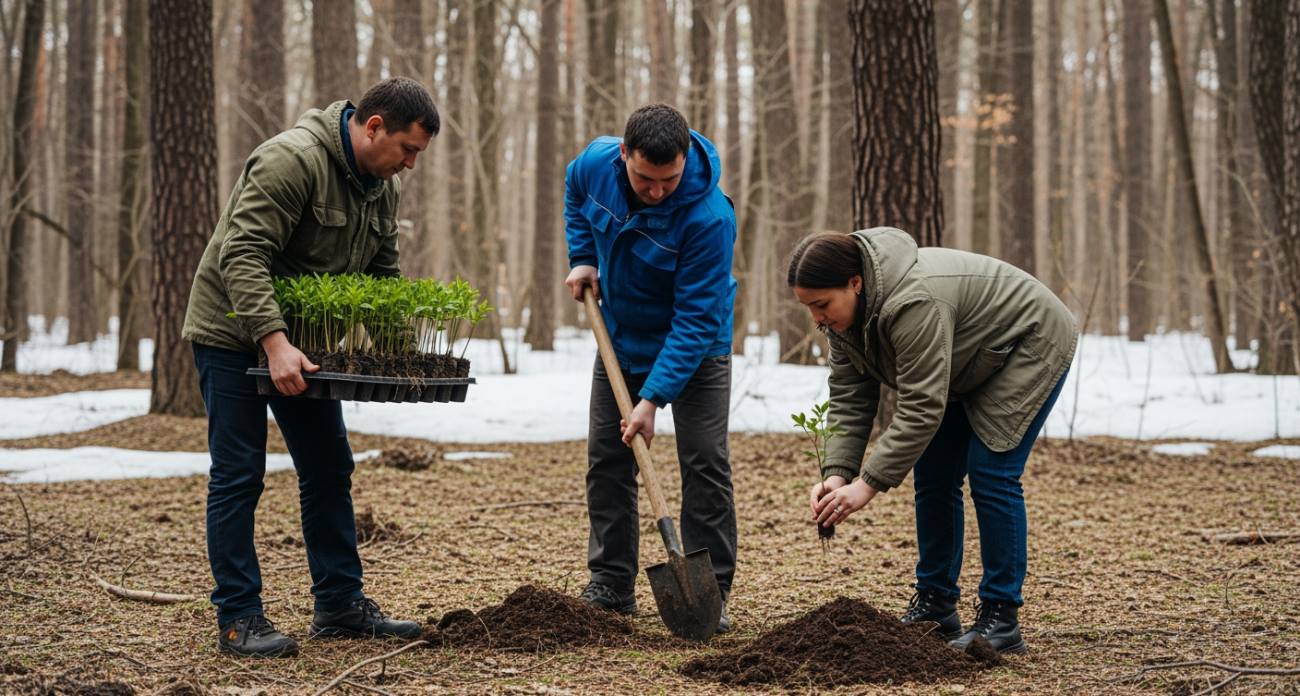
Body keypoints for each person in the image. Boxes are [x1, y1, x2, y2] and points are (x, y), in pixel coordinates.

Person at [181, 78, 438, 658]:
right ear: (374, 127)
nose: (410, 165)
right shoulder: (291, 160)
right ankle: (238, 616)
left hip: (305, 347)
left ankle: (340, 604)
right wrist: (273, 344)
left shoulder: (383, 187)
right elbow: (242, 253)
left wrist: (405, 356)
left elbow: (382, 278)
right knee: (239, 472)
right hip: (233, 334)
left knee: (328, 466)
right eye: (407, 150)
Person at [788, 228, 1077, 654]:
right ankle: (936, 604)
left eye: (822, 304)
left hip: (1029, 340)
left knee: (992, 471)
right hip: (968, 358)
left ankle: (1001, 617)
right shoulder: (843, 321)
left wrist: (867, 485)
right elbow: (850, 396)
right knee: (934, 473)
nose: (816, 318)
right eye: (808, 307)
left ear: (855, 283)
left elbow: (922, 406)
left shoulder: (913, 301)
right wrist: (837, 475)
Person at [563, 104, 738, 634]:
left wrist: (652, 399)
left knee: (704, 461)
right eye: (645, 179)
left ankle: (712, 592)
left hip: (696, 348)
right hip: (619, 338)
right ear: (624, 155)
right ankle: (611, 584)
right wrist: (583, 256)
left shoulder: (709, 219)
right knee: (607, 459)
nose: (657, 191)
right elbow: (574, 192)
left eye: (669, 179)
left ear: (685, 160)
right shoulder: (594, 165)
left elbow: (695, 320)